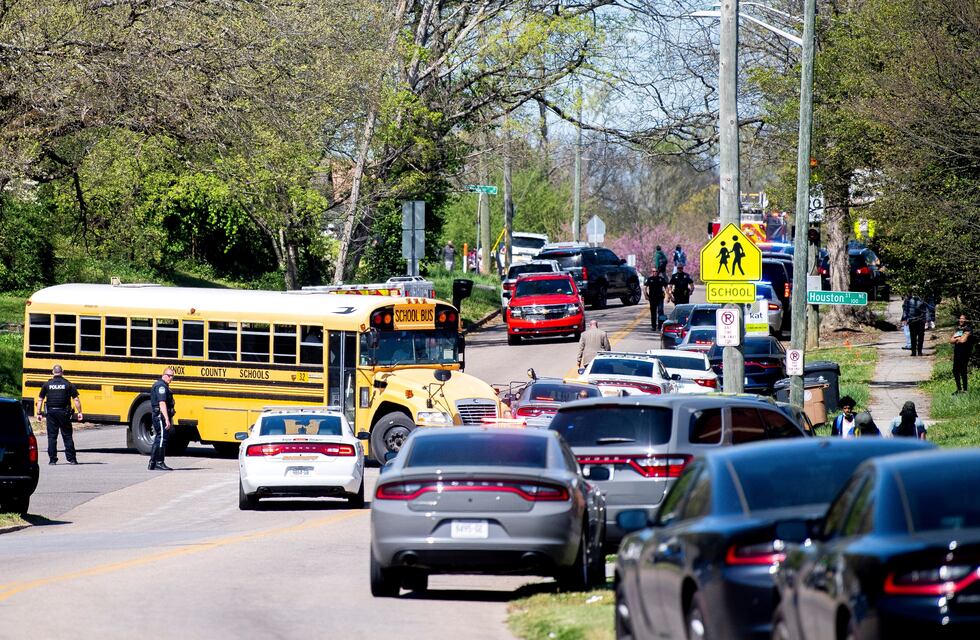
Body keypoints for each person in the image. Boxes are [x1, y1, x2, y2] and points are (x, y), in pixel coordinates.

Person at [36, 364, 82, 465]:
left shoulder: (47, 385)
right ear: (62, 372)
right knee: (67, 436)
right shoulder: (68, 384)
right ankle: (72, 459)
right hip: (64, 413)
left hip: (51, 413)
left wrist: (39, 413)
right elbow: (76, 399)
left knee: (52, 437)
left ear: (53, 372)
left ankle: (52, 460)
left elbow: (40, 399)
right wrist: (79, 412)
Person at [149, 367, 176, 471]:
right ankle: (159, 462)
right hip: (160, 416)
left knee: (158, 438)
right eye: (170, 376)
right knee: (162, 439)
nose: (171, 379)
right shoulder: (161, 386)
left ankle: (152, 462)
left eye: (172, 376)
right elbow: (162, 403)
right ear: (165, 375)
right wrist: (166, 419)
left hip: (159, 415)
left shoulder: (162, 385)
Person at [951, 314, 973, 394]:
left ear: (966, 320)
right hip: (957, 352)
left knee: (963, 370)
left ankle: (965, 389)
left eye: (962, 319)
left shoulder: (969, 329)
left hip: (964, 353)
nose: (960, 320)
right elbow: (951, 340)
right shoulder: (958, 329)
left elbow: (963, 340)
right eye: (960, 318)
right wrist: (958, 338)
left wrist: (957, 339)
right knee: (955, 371)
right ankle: (959, 389)